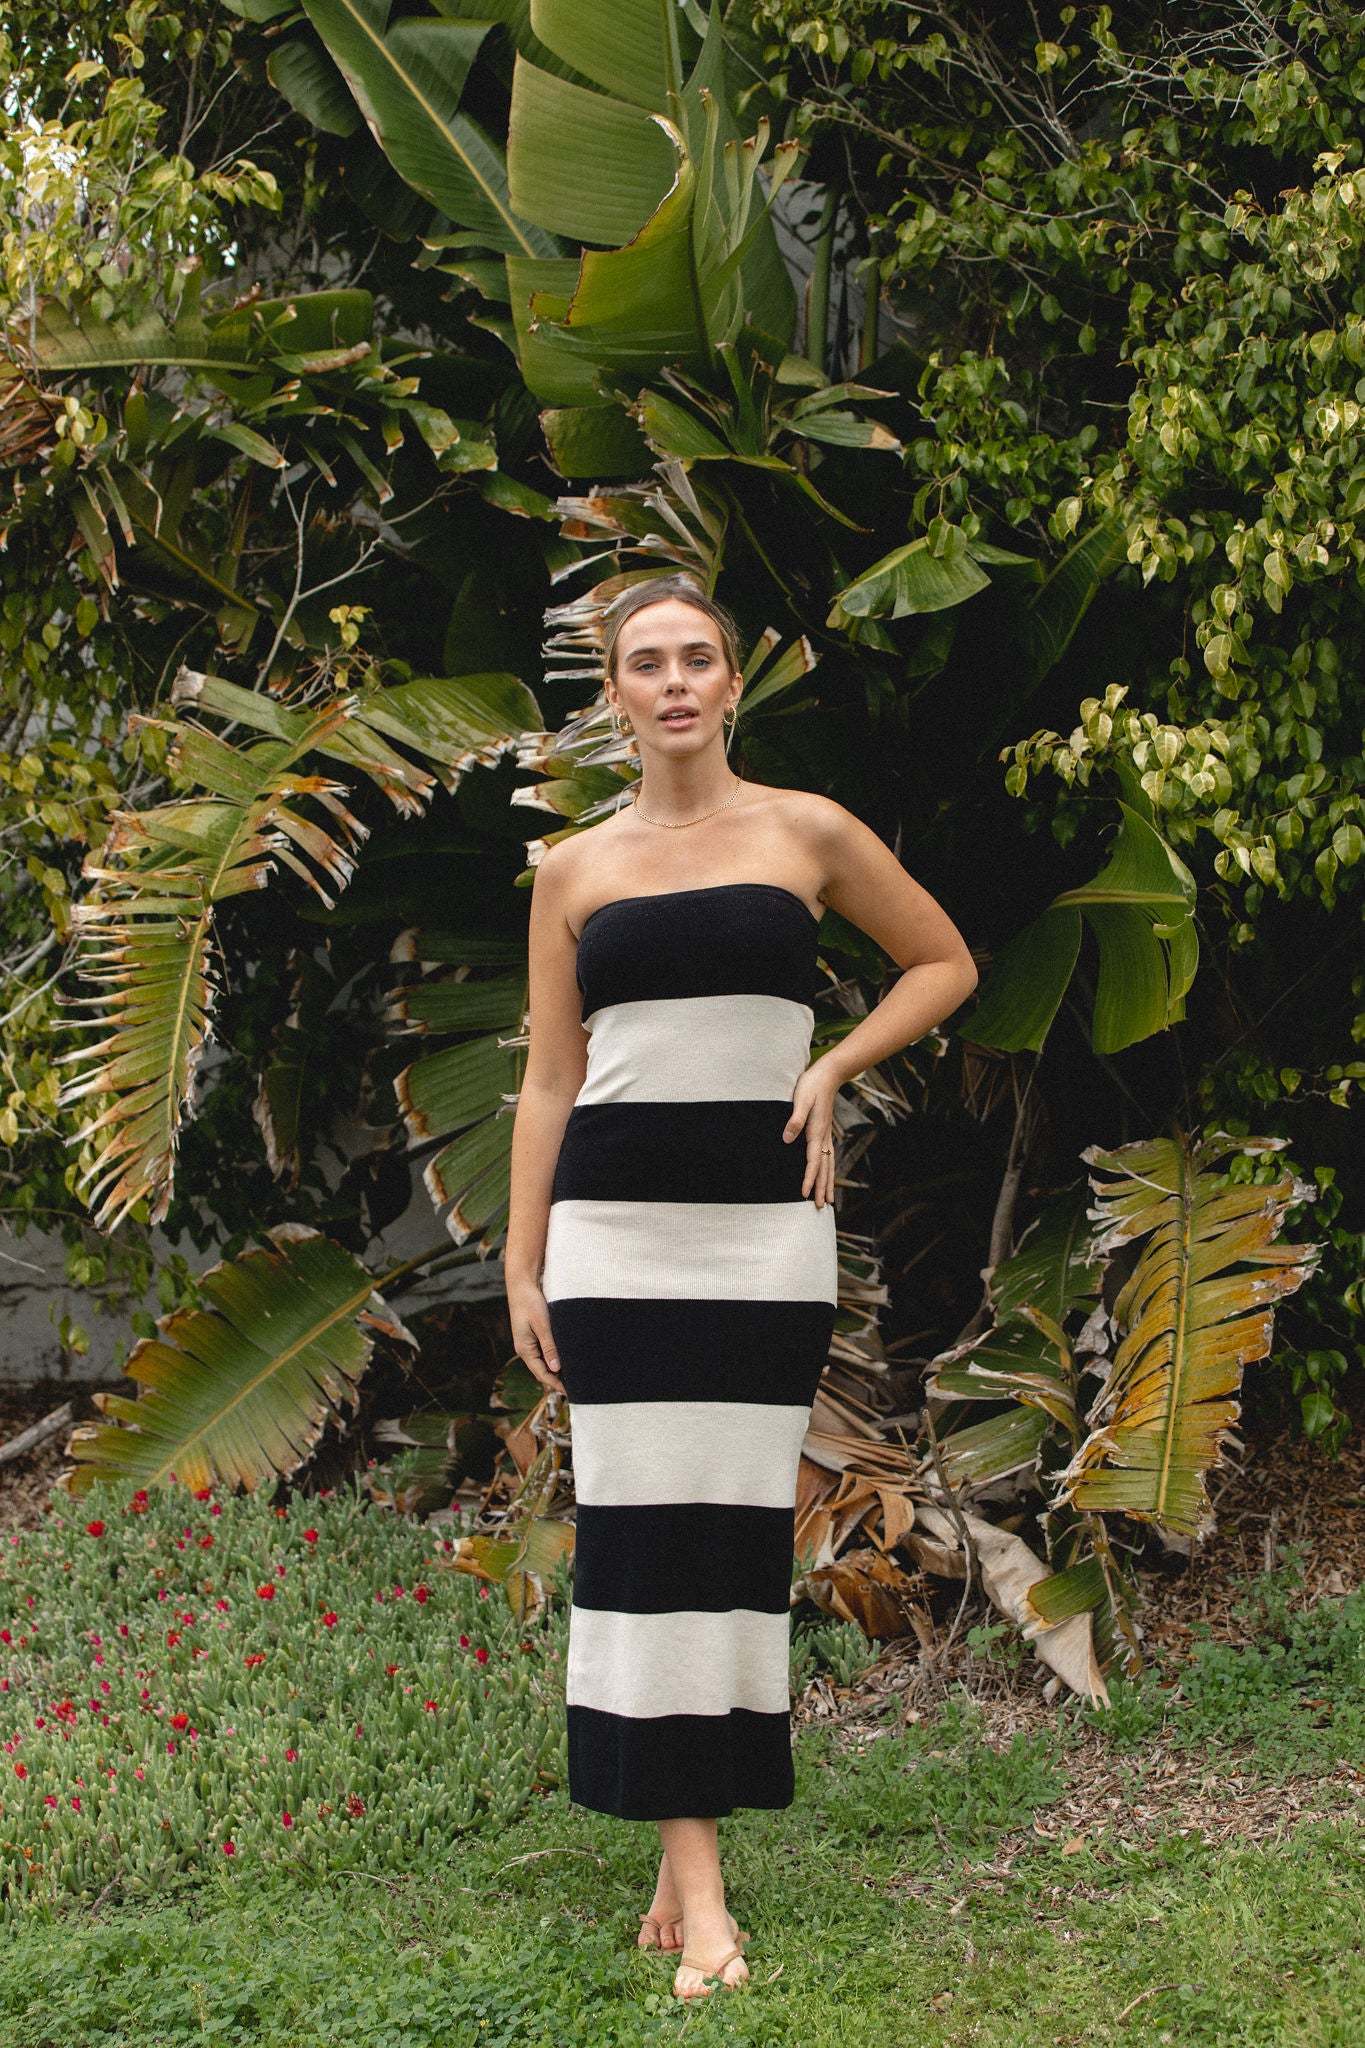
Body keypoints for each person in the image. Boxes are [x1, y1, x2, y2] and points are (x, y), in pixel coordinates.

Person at [503, 573, 978, 2002]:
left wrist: (831, 1065)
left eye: (696, 658)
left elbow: (943, 962)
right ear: (614, 695)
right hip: (615, 1240)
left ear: (729, 683)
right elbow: (549, 1079)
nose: (673, 683)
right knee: (644, 1545)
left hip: (766, 1239)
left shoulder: (804, 832)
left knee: (726, 1541)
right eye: (645, 663)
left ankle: (678, 1838)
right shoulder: (572, 871)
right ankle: (701, 1884)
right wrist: (522, 1259)